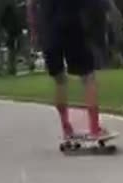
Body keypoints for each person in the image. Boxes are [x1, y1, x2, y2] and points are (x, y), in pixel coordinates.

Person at [26, 0, 107, 139]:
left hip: (49, 32)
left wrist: (34, 32)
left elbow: (30, 5)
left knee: (60, 80)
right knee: (88, 78)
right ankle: (94, 128)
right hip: (73, 27)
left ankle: (66, 128)